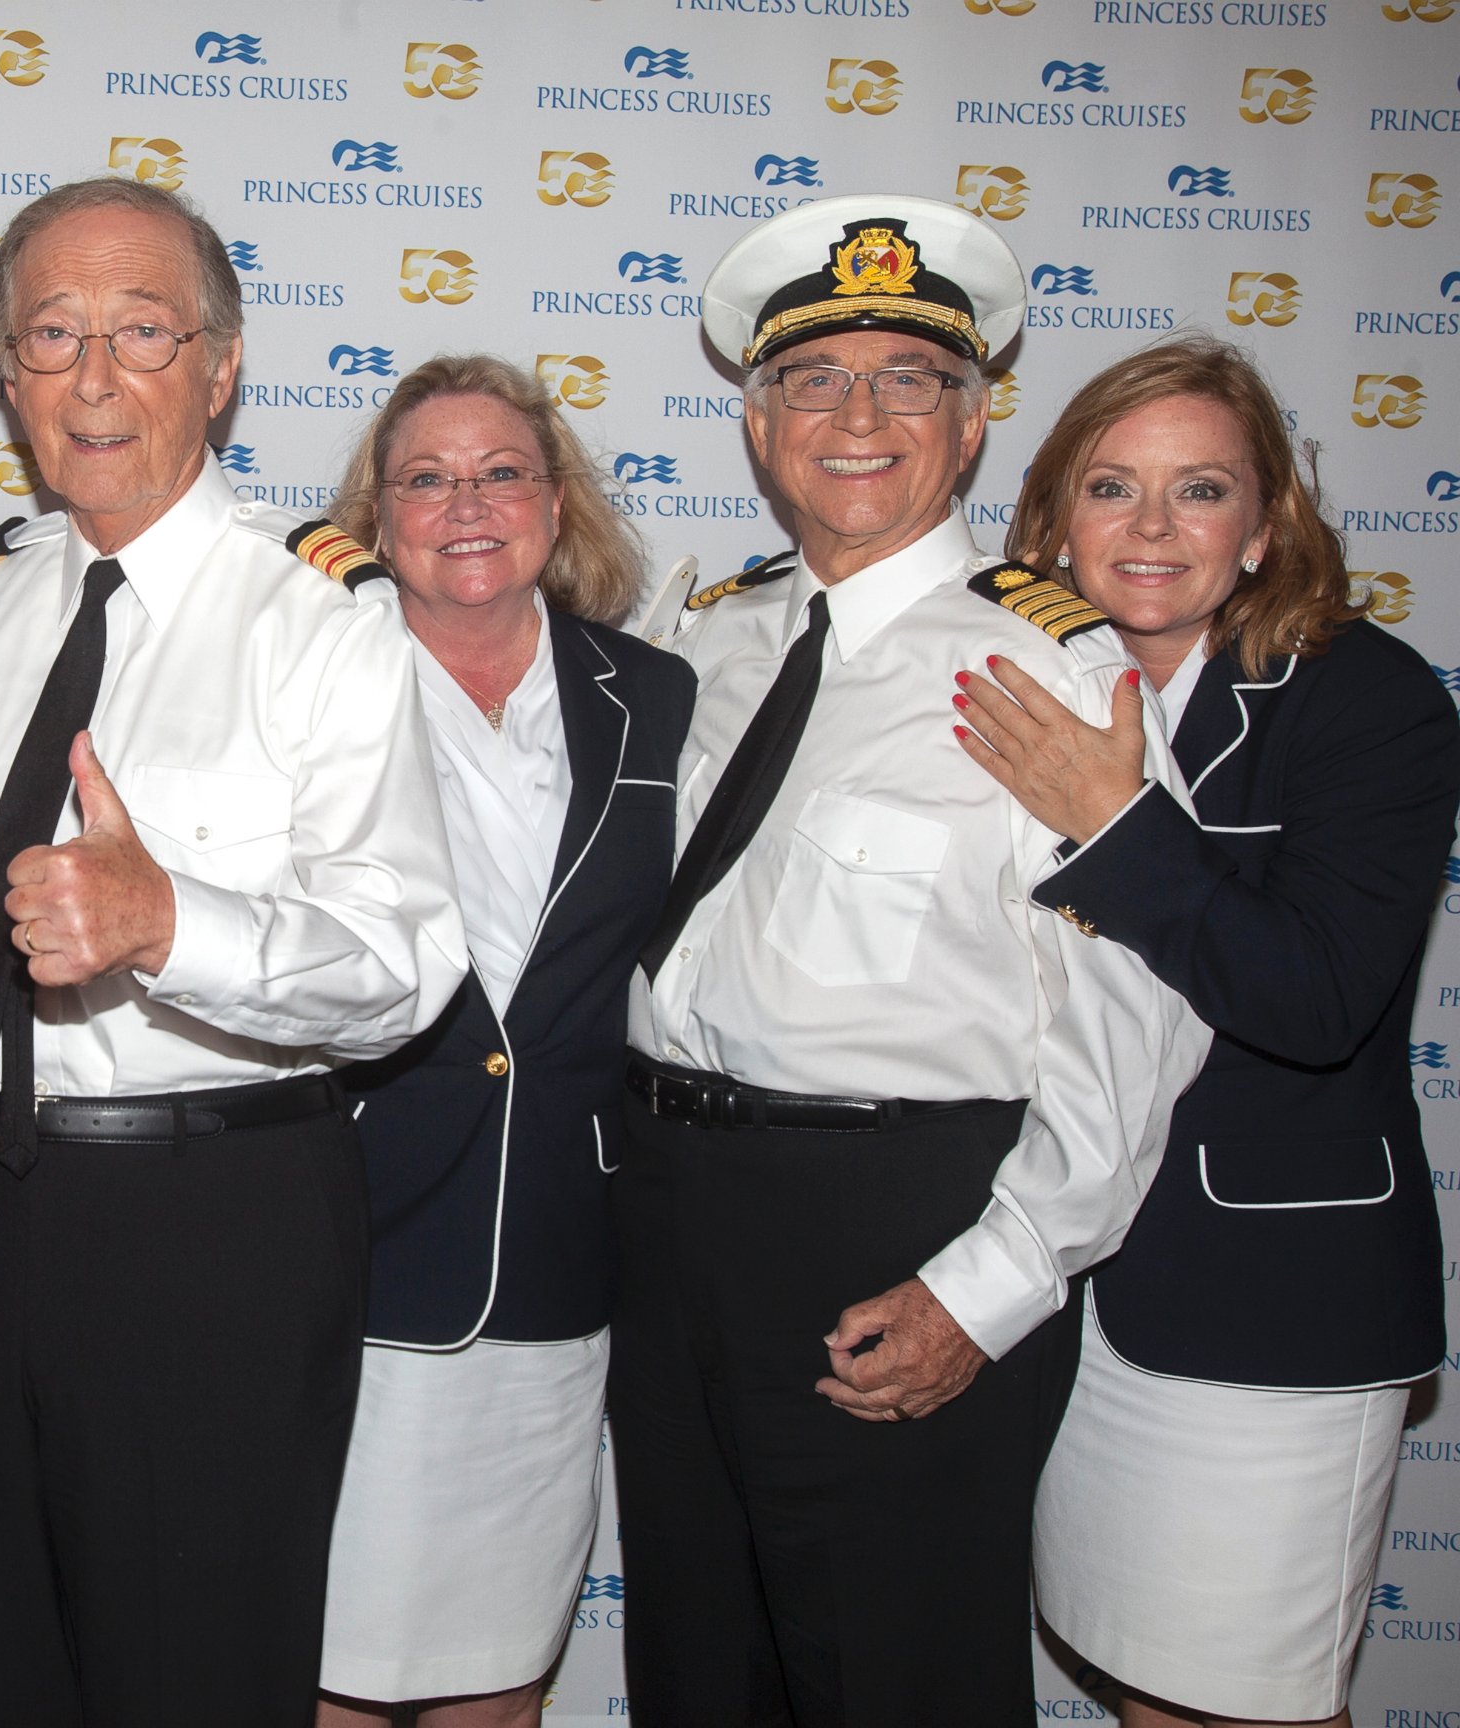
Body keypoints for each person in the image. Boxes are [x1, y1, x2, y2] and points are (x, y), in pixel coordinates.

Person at [610, 194, 1213, 1726]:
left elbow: (1139, 1015)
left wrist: (991, 1288)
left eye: (910, 381)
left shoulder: (1051, 663)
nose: (858, 416)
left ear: (974, 420)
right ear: (759, 422)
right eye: (814, 381)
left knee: (899, 1678)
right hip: (674, 1216)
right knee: (700, 1664)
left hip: (899, 1231)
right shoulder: (711, 632)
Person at [0, 175, 468, 1728]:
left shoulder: (325, 617)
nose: (92, 378)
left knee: (195, 1677)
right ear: (6, 376)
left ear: (218, 367)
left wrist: (166, 925)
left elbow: (403, 956)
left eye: (141, 332)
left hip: (212, 1224)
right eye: (52, 334)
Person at [947, 335, 1459, 1728]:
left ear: (1268, 524)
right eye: (1113, 488)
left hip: (1264, 1300)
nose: (1154, 528)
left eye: (1202, 491)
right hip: (1057, 1296)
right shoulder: (1019, 688)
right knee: (1142, 1690)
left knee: (1243, 1707)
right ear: (1051, 516)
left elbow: (1315, 997)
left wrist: (1116, 826)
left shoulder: (1368, 699)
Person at [313, 356, 692, 1728]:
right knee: (326, 1680)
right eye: (425, 477)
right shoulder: (313, 683)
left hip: (559, 1252)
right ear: (378, 512)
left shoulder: (658, 696)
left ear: (555, 501)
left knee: (500, 1682)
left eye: (502, 473)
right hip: (350, 1252)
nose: (465, 504)